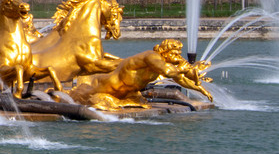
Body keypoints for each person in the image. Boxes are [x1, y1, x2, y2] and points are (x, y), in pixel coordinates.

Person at [69, 39, 213, 110]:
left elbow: (179, 78)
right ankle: (66, 98)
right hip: (111, 87)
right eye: (175, 53)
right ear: (165, 52)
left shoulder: (161, 62)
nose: (177, 57)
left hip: (127, 91)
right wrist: (182, 67)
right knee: (84, 96)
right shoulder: (152, 57)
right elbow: (169, 72)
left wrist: (200, 89)